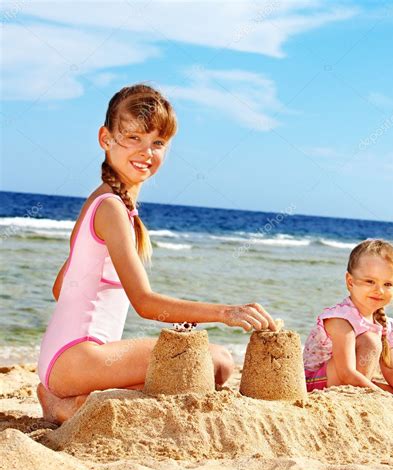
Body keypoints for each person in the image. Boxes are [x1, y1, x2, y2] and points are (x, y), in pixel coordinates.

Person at [37, 83, 276, 424]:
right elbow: (144, 303)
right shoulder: (111, 208)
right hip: (77, 358)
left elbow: (60, 288)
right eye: (133, 137)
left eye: (157, 143)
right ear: (106, 138)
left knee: (183, 371)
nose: (146, 152)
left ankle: (70, 400)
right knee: (217, 362)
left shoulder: (102, 202)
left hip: (61, 359)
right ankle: (64, 402)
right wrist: (226, 312)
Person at [303, 239, 393, 413]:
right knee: (370, 341)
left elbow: (391, 367)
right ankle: (359, 402)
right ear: (350, 282)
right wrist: (380, 397)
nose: (379, 290)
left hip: (347, 382)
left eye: (387, 284)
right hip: (314, 384)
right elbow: (346, 372)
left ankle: (370, 400)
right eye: (370, 281)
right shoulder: (340, 319)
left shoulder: (382, 323)